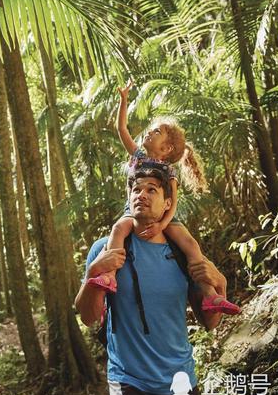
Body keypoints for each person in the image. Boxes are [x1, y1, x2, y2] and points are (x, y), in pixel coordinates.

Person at [75, 168, 229, 395]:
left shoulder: (182, 254)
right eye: (136, 189)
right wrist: (93, 272)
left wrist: (220, 285)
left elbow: (210, 322)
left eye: (151, 190)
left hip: (180, 380)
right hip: (127, 382)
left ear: (168, 203)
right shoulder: (105, 250)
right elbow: (87, 316)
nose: (141, 195)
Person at [85, 80, 240, 315]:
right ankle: (109, 276)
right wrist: (124, 101)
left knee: (190, 243)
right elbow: (122, 130)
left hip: (164, 217)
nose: (149, 131)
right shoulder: (137, 156)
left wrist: (162, 224)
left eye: (156, 132)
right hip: (132, 212)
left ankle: (210, 294)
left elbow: (173, 201)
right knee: (118, 229)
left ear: (167, 149)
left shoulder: (168, 170)